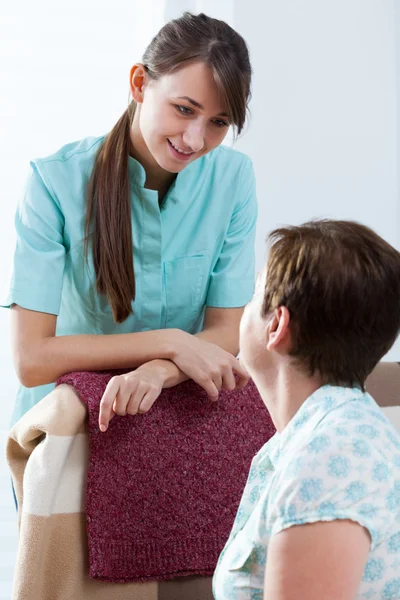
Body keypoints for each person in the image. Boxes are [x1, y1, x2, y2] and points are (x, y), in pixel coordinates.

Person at [1, 12, 257, 433]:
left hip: (174, 428)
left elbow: (227, 331)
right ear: (139, 83)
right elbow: (31, 359)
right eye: (183, 109)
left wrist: (160, 369)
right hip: (66, 433)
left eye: (218, 122)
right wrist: (172, 343)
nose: (195, 139)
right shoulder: (54, 181)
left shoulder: (233, 179)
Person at [213, 219, 400, 600]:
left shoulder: (333, 457)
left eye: (253, 295)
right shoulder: (326, 436)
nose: (244, 310)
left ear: (276, 325)